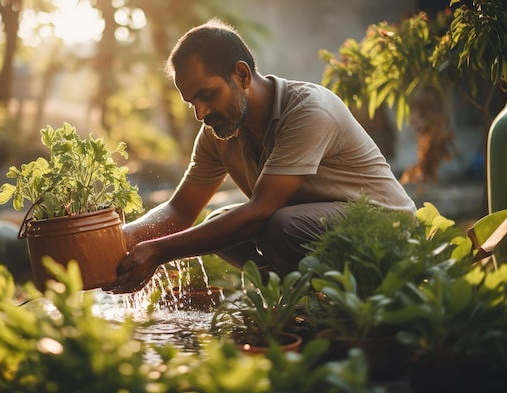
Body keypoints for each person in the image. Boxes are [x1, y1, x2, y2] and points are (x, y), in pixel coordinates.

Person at [105, 18, 417, 294]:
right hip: (315, 228)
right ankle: (301, 298)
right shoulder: (218, 132)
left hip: (385, 229)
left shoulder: (308, 110)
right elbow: (179, 209)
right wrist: (121, 239)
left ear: (241, 75)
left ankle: (332, 297)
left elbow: (261, 210)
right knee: (220, 222)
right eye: (192, 103)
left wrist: (158, 252)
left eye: (207, 95)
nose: (200, 113)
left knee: (279, 224)